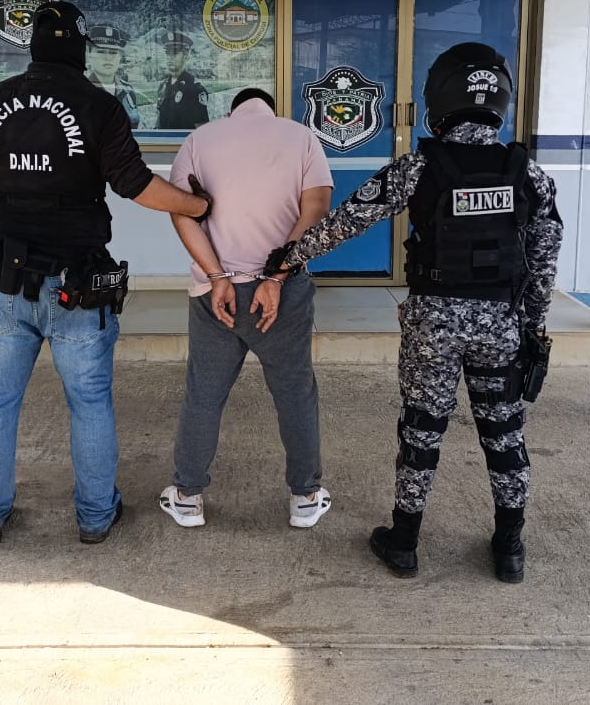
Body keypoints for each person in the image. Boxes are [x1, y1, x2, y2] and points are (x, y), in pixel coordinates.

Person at [265, 43, 563, 582]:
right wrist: (532, 325)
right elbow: (544, 260)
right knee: (504, 433)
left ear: (439, 99)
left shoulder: (419, 167)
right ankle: (509, 548)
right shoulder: (529, 174)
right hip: (501, 325)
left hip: (433, 326)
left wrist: (291, 256)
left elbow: (348, 220)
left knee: (423, 429)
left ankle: (404, 542)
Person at [0, 0, 212, 548]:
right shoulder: (98, 105)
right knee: (89, 402)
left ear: (32, 48)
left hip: (1, 280)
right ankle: (95, 516)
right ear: (81, 50)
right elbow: (135, 185)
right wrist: (197, 206)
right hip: (76, 284)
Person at [158, 88, 335, 530]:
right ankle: (305, 497)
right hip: (283, 292)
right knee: (295, 391)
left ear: (231, 110)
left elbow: (181, 212)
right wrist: (276, 276)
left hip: (216, 294)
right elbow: (317, 208)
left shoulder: (200, 139)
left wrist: (217, 275)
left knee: (204, 393)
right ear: (272, 110)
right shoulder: (301, 137)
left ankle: (187, 496)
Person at [86, 23, 140, 130]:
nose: (108, 58)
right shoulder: (81, 92)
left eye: (113, 52)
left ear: (120, 56)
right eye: (101, 52)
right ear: (90, 55)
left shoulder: (128, 92)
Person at [155, 29, 209, 129]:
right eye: (167, 53)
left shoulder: (195, 89)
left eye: (174, 53)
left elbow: (201, 128)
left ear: (186, 56)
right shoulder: (163, 86)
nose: (170, 57)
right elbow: (159, 121)